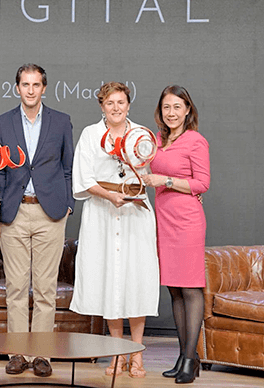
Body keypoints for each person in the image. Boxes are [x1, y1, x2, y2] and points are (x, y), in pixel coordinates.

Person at [69, 82, 159, 378]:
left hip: (135, 214)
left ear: (129, 105)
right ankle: (117, 355)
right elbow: (83, 179)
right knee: (111, 281)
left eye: (121, 102)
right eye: (110, 103)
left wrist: (131, 190)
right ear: (102, 106)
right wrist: (109, 196)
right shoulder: (90, 134)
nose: (116, 108)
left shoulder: (142, 135)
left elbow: (147, 173)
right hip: (103, 213)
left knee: (135, 280)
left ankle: (136, 355)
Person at [0, 64, 75, 378]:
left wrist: (68, 205)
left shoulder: (61, 121)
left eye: (36, 84)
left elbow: (68, 168)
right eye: (25, 84)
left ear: (43, 88)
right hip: (13, 211)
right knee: (15, 288)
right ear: (17, 88)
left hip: (49, 212)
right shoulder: (3, 122)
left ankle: (41, 355)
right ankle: (16, 354)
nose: (30, 90)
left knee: (44, 290)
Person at [142, 85, 210, 384]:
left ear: (187, 111)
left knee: (191, 289)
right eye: (167, 107)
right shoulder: (156, 140)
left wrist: (166, 180)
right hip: (163, 220)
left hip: (187, 221)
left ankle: (189, 358)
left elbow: (202, 183)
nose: (172, 113)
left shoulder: (196, 140)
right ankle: (184, 357)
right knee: (174, 288)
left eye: (177, 107)